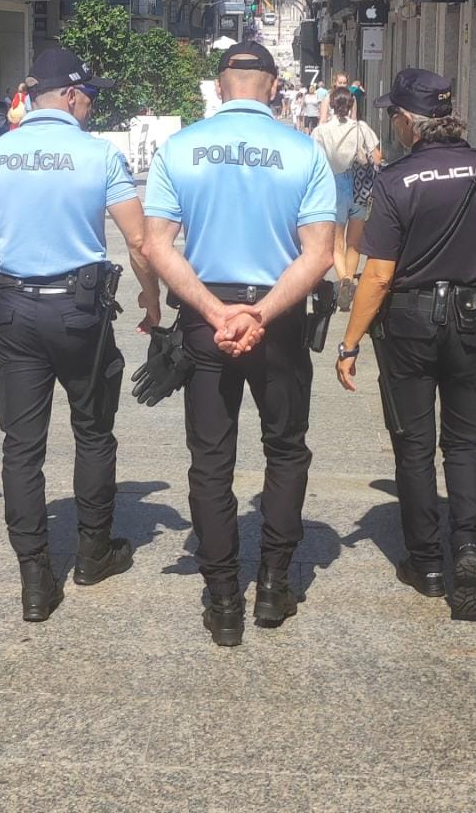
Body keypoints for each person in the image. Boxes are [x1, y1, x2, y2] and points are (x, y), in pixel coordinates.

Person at [334, 69, 476, 621]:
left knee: (413, 444)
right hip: (475, 321)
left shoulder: (395, 180)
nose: (393, 125)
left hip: (409, 324)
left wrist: (350, 342)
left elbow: (378, 276)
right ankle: (470, 548)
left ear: (409, 121)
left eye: (393, 116)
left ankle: (427, 564)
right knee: (465, 443)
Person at [142, 41, 336, 647]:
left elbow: (157, 245)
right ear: (275, 87)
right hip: (276, 315)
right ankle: (275, 584)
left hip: (207, 316)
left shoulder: (179, 150)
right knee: (285, 449)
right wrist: (261, 314)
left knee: (211, 460)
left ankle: (223, 596)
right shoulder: (305, 151)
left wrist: (215, 310)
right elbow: (319, 255)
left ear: (220, 87)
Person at [0, 47, 160, 623]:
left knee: (21, 446)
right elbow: (139, 240)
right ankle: (94, 553)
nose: (92, 103)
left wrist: (9, 275)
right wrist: (149, 297)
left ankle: (35, 577)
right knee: (93, 432)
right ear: (69, 97)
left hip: (17, 310)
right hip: (81, 311)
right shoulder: (99, 156)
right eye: (89, 94)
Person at [313, 88, 382, 303]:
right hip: (360, 185)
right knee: (354, 242)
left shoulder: (321, 132)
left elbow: (315, 162)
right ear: (352, 104)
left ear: (331, 105)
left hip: (334, 186)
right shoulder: (361, 128)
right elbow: (378, 158)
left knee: (337, 243)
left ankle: (343, 279)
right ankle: (350, 280)